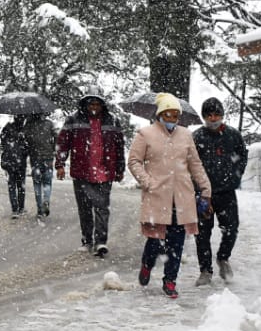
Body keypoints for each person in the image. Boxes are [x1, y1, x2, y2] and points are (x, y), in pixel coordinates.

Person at [126, 92, 211, 299]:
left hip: (182, 197)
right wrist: (147, 182)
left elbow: (195, 164)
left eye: (176, 115)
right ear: (160, 114)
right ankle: (147, 265)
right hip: (157, 195)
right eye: (169, 114)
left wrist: (205, 189)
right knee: (155, 240)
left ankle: (170, 281)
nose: (172, 119)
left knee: (177, 243)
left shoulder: (186, 135)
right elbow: (134, 161)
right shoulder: (145, 134)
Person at [55, 92, 125, 256]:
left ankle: (101, 241)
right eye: (91, 104)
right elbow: (63, 143)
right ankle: (87, 240)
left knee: (102, 208)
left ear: (102, 106)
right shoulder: (73, 120)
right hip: (82, 171)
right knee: (84, 208)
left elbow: (119, 146)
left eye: (97, 104)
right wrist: (60, 164)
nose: (94, 107)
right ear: (85, 106)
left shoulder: (112, 121)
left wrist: (120, 169)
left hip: (105, 171)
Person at [192, 97, 247, 285]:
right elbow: (190, 164)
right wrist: (197, 189)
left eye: (217, 115)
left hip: (226, 192)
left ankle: (223, 257)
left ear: (222, 115)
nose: (213, 119)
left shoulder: (233, 135)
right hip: (203, 194)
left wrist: (234, 177)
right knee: (202, 233)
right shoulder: (197, 137)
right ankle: (205, 270)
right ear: (204, 117)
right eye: (209, 115)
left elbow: (241, 158)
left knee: (231, 229)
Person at [24, 112, 57, 217]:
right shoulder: (49, 124)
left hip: (35, 158)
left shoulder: (28, 125)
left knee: (37, 183)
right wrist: (52, 149)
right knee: (47, 182)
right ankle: (46, 200)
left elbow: (25, 141)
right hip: (48, 157)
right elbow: (56, 137)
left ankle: (39, 209)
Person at [0, 115, 29, 218]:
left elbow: (2, 142)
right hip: (20, 163)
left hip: (10, 162)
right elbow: (27, 147)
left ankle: (14, 209)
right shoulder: (24, 131)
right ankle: (21, 208)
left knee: (12, 186)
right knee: (21, 187)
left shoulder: (7, 128)